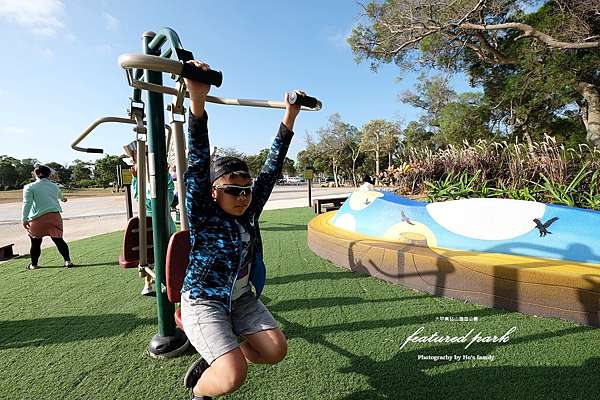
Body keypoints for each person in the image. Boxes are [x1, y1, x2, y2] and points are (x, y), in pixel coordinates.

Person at [180, 60, 302, 400]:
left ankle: (214, 360)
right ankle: (201, 391)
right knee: (233, 376)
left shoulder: (248, 212)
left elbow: (272, 165)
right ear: (214, 191)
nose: (242, 196)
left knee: (275, 351)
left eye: (246, 190)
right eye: (233, 190)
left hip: (242, 299)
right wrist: (197, 99)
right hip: (204, 302)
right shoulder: (203, 214)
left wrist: (290, 115)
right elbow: (198, 157)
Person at [129, 153, 177, 295]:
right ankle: (166, 281)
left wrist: (136, 178)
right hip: (167, 230)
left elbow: (137, 194)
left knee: (150, 254)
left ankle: (148, 284)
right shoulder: (165, 200)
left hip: (147, 234)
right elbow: (169, 189)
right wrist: (167, 174)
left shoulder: (144, 201)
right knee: (166, 254)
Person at [21, 165, 73, 270]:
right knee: (59, 240)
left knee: (35, 243)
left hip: (37, 219)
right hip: (54, 217)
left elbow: (27, 203)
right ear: (48, 174)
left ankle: (34, 265)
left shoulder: (29, 187)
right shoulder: (54, 186)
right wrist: (63, 199)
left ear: (37, 174)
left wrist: (24, 219)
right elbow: (61, 197)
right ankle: (68, 261)